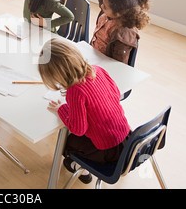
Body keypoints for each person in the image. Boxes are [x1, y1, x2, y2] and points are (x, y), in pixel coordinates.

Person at [38, 37, 131, 184]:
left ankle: (83, 169)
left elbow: (78, 129)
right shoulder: (98, 70)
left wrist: (62, 109)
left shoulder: (75, 91)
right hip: (127, 139)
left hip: (107, 150)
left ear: (57, 74)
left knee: (67, 144)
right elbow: (115, 94)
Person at [90, 0, 152, 64]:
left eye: (105, 6)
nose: (102, 6)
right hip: (92, 54)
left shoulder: (123, 34)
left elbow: (119, 62)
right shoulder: (108, 14)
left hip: (103, 65)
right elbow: (102, 1)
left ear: (118, 12)